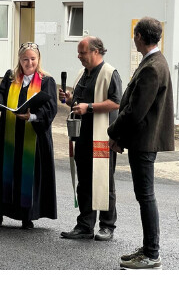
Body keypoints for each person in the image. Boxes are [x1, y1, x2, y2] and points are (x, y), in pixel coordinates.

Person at [108, 17, 176, 270]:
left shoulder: (151, 67)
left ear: (139, 36)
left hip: (144, 141)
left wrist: (113, 133)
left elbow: (136, 111)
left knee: (145, 196)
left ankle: (152, 253)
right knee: (144, 195)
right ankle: (149, 248)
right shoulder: (156, 61)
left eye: (134, 35)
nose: (133, 39)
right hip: (143, 139)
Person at [0, 42, 58, 229]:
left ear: (38, 59)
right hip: (10, 135)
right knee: (4, 172)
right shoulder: (10, 77)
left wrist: (32, 116)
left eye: (33, 59)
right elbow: (0, 94)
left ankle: (27, 215)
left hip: (34, 137)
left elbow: (50, 108)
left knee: (28, 175)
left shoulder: (46, 81)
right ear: (20, 60)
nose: (29, 62)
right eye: (25, 59)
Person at [58, 36, 121, 241]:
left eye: (82, 52)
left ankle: (107, 226)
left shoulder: (110, 73)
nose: (79, 56)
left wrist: (90, 107)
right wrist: (69, 100)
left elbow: (116, 102)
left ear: (95, 51)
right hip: (82, 136)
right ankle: (85, 225)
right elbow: (78, 102)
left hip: (102, 136)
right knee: (84, 180)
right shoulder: (81, 74)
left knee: (104, 179)